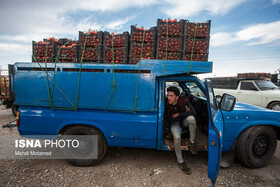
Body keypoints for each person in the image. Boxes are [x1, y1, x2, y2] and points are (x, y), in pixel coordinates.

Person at [164, 86, 197, 175]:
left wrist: (179, 114)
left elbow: (193, 112)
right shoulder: (166, 104)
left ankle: (192, 141)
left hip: (183, 120)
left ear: (177, 97)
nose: (169, 98)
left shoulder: (184, 101)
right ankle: (181, 161)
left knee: (191, 119)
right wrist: (184, 113)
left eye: (171, 96)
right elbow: (170, 119)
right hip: (175, 124)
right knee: (177, 137)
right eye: (168, 95)